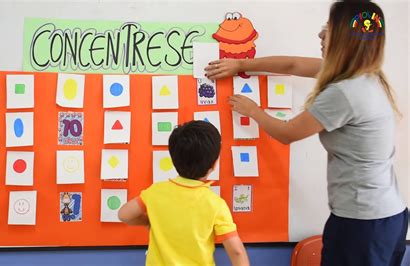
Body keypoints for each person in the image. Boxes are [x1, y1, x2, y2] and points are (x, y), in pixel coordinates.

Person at [205, 1, 407, 265]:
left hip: (362, 222)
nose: (321, 35)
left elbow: (288, 133)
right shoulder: (364, 75)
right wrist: (242, 63)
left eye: (328, 28)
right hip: (387, 216)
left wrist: (252, 109)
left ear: (345, 40)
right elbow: (292, 65)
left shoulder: (345, 92)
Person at [118, 120, 249, 266]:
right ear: (213, 165)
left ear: (174, 159)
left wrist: (150, 222)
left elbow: (124, 214)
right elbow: (236, 251)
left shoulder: (155, 192)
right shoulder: (215, 204)